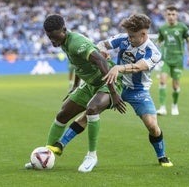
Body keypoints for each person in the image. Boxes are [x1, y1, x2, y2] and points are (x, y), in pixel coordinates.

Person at [25, 14, 126, 172]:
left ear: (64, 30)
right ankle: (46, 154)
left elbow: (101, 61)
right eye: (49, 37)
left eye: (54, 37)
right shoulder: (64, 42)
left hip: (108, 81)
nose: (52, 41)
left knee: (92, 109)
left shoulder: (76, 43)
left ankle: (91, 156)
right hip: (90, 83)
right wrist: (75, 86)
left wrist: (113, 92)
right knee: (63, 114)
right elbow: (79, 64)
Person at [99, 13, 173, 167]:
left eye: (132, 36)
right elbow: (102, 44)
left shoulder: (154, 52)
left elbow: (139, 67)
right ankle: (59, 145)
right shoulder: (124, 38)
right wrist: (102, 51)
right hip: (116, 84)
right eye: (128, 35)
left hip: (138, 90)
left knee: (152, 126)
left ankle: (162, 156)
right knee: (90, 111)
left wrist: (119, 67)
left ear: (144, 34)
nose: (129, 38)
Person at [156, 5, 189, 116]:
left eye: (173, 14)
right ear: (166, 15)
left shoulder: (182, 27)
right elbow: (159, 41)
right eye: (169, 14)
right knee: (162, 81)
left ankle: (174, 105)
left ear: (176, 15)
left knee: (175, 86)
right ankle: (162, 107)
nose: (171, 16)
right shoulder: (162, 28)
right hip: (166, 59)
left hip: (178, 60)